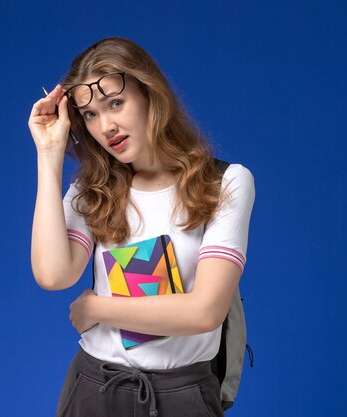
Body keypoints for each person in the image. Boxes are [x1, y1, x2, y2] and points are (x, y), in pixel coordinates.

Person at [28, 37, 255, 417]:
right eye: (90, 115)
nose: (107, 126)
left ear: (150, 94)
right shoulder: (93, 191)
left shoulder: (224, 183)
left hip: (183, 393)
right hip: (93, 389)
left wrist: (97, 308)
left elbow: (205, 312)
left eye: (116, 104)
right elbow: (53, 275)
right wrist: (49, 154)